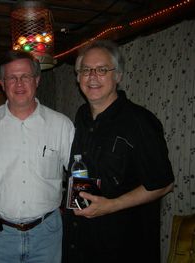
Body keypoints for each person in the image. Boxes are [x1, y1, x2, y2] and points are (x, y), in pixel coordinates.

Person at [62, 40, 174, 263]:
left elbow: (163, 183)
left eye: (102, 69)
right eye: (85, 70)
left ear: (118, 76)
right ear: (78, 78)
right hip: (79, 242)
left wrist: (110, 206)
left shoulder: (140, 122)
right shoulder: (80, 117)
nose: (92, 76)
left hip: (123, 247)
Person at [0, 50, 75, 263]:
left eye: (25, 76)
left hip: (47, 233)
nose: (19, 83)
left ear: (37, 80)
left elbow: (79, 172)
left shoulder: (61, 125)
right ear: (2, 83)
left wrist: (88, 213)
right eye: (12, 77)